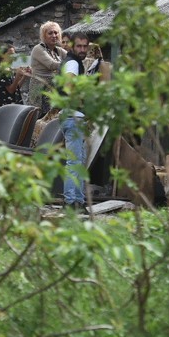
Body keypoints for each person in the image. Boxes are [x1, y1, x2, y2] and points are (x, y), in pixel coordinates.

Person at [59, 33, 96, 211]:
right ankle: (69, 202)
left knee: (78, 161)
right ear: (73, 46)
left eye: (85, 46)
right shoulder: (72, 62)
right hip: (73, 115)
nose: (82, 50)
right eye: (79, 46)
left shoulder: (75, 62)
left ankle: (78, 202)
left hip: (75, 116)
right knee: (74, 162)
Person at [26, 22, 66, 116]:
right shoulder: (38, 49)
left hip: (52, 89)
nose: (54, 35)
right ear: (44, 35)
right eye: (50, 33)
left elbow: (72, 56)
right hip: (40, 89)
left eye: (56, 33)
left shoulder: (57, 50)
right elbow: (52, 65)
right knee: (40, 118)